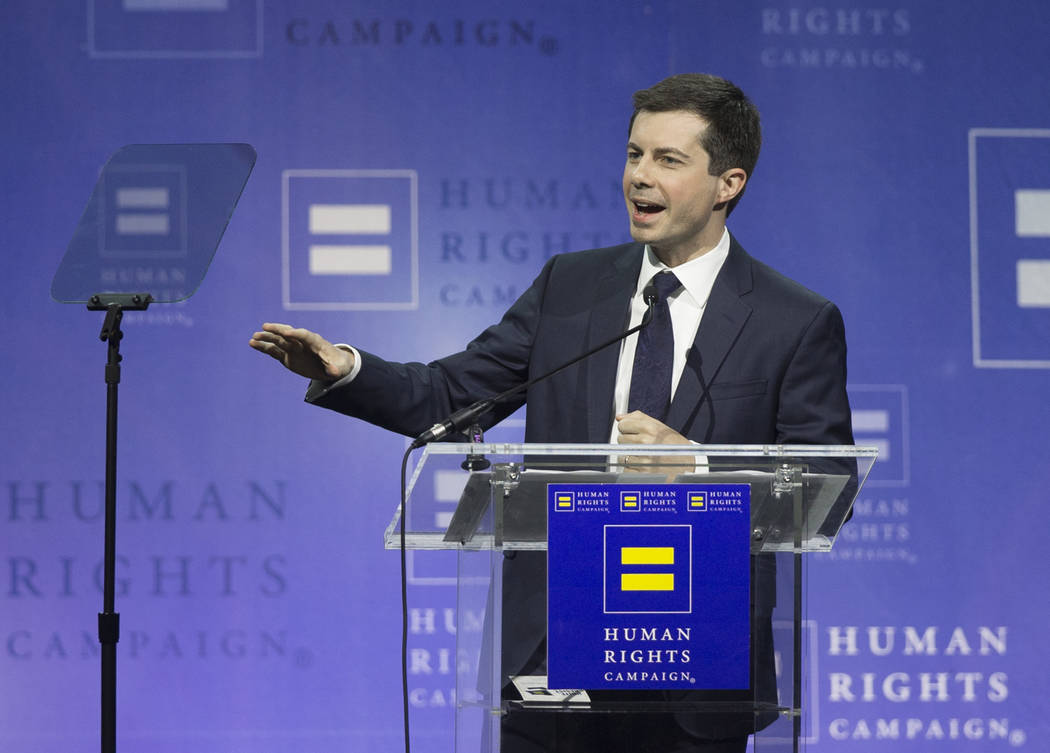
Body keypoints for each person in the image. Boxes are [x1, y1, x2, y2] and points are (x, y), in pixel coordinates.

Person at [251, 73, 853, 752]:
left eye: (668, 160)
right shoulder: (573, 286)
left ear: (729, 183)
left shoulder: (793, 320)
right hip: (552, 661)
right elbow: (454, 395)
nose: (639, 177)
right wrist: (348, 371)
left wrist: (699, 468)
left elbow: (826, 484)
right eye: (633, 154)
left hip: (695, 663)